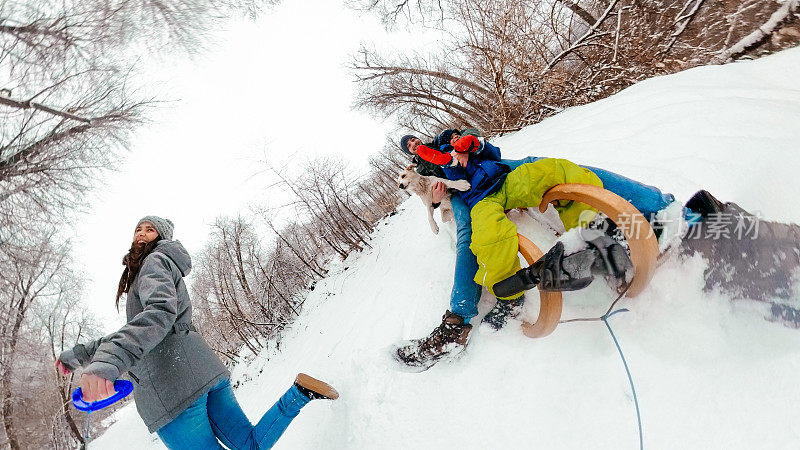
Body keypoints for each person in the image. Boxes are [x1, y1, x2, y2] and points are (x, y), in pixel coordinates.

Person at [394, 129, 677, 370]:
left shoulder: (464, 144)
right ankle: (503, 300)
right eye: (408, 145)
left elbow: (493, 152)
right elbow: (433, 187)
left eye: (413, 140)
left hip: (504, 178)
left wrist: (475, 144)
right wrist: (437, 186)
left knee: (555, 169)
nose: (412, 144)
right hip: (477, 197)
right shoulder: (430, 161)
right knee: (486, 236)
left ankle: (601, 229)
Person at [56, 216, 338, 449]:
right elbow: (141, 325)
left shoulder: (153, 263)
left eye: (149, 229)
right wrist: (79, 355)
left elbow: (157, 315)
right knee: (250, 444)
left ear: (160, 237)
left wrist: (109, 361)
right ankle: (300, 394)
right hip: (204, 370)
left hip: (171, 387)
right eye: (138, 228)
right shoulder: (161, 265)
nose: (141, 233)